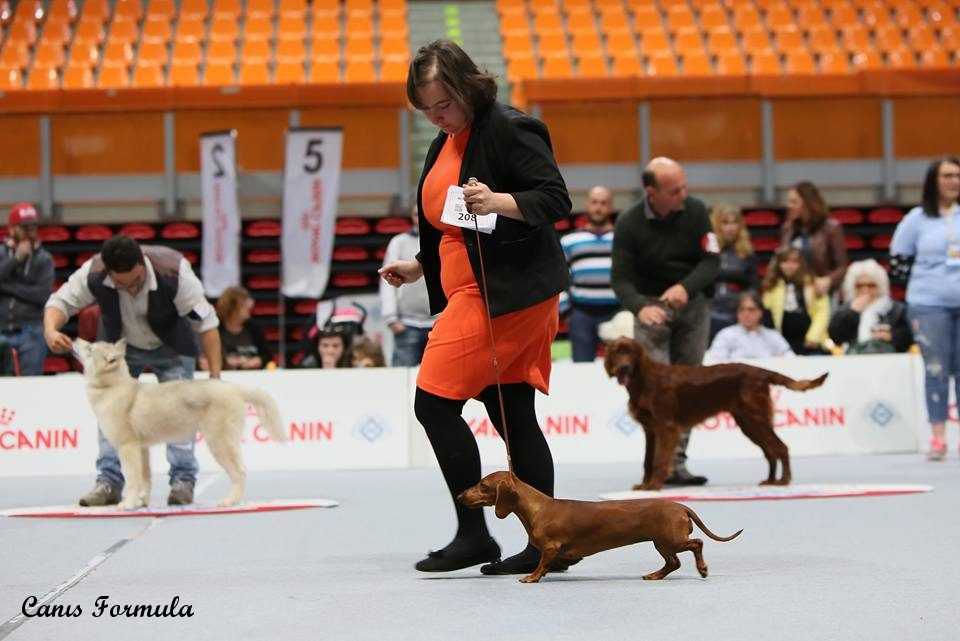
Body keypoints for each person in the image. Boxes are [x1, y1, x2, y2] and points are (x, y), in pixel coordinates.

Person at [379, 40, 571, 576]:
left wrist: (501, 201)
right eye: (426, 110)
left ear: (467, 86)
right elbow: (451, 220)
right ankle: (545, 543)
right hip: (471, 287)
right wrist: (421, 265)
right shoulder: (446, 140)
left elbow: (553, 198)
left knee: (433, 404)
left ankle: (472, 534)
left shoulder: (509, 127)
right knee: (511, 411)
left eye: (443, 104)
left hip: (505, 295)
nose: (436, 117)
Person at [43, 234, 222, 507]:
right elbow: (60, 303)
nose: (130, 289)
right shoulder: (94, 271)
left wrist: (215, 377)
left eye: (136, 281)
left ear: (143, 263)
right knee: (110, 418)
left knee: (181, 411)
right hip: (120, 349)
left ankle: (183, 480)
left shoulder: (175, 271)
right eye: (120, 285)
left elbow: (207, 324)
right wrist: (50, 330)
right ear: (110, 273)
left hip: (171, 344)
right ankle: (109, 482)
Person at [610, 156, 719, 487]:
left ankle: (678, 465)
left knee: (688, 390)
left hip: (693, 308)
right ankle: (659, 468)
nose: (682, 195)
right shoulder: (629, 223)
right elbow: (620, 279)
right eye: (674, 191)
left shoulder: (697, 211)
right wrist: (641, 307)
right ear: (651, 192)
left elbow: (711, 262)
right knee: (655, 393)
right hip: (650, 311)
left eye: (684, 187)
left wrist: (685, 287)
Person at [890, 155, 960, 461]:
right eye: (947, 175)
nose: (953, 181)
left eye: (957, 175)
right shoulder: (916, 219)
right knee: (936, 369)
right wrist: (930, 281)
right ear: (934, 181)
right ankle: (938, 437)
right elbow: (898, 263)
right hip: (929, 304)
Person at [560, 185, 620, 362]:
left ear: (611, 207)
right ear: (587, 205)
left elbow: (633, 276)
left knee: (621, 369)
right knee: (581, 371)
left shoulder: (622, 240)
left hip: (616, 313)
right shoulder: (570, 241)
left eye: (604, 203)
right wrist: (566, 313)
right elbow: (559, 278)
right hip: (581, 315)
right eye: (594, 202)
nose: (598, 207)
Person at [0, 203, 54, 375]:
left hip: (31, 331)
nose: (30, 233)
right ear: (12, 228)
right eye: (24, 228)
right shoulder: (1, 253)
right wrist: (16, 259)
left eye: (33, 227)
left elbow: (41, 296)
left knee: (30, 386)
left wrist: (5, 287)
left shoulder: (44, 259)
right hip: (1, 329)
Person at [379, 203, 436, 366]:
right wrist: (391, 318)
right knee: (400, 381)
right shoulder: (398, 242)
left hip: (437, 323)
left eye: (422, 214)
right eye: (415, 214)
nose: (419, 219)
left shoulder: (443, 240)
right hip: (407, 324)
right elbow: (387, 280)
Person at [828, 259, 912, 355]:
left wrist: (892, 336)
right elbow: (835, 337)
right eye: (859, 286)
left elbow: (909, 336)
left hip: (889, 359)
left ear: (880, 286)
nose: (865, 290)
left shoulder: (896, 309)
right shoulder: (845, 310)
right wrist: (852, 313)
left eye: (871, 285)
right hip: (852, 358)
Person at [779, 180, 848, 296]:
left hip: (821, 293)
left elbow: (842, 267)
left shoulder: (831, 228)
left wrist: (828, 280)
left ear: (808, 203)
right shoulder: (787, 229)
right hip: (793, 294)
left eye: (794, 202)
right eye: (789, 202)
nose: (789, 206)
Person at [761, 246, 831, 355]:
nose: (789, 266)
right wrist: (775, 342)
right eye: (785, 261)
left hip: (810, 342)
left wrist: (813, 336)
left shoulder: (813, 284)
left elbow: (822, 312)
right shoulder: (771, 286)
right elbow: (767, 316)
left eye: (794, 262)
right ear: (778, 264)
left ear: (801, 264)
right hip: (782, 344)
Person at [709, 204, 759, 342]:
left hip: (737, 314)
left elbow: (753, 286)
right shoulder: (708, 251)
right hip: (710, 312)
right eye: (725, 223)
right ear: (717, 225)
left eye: (734, 222)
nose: (731, 228)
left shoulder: (747, 252)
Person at [706, 291, 794, 362]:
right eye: (742, 309)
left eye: (751, 309)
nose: (746, 314)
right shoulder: (726, 335)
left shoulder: (772, 335)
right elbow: (714, 361)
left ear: (760, 312)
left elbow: (790, 357)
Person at [201, 285, 273, 371]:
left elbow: (267, 355)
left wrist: (257, 360)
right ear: (233, 307)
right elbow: (206, 357)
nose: (249, 306)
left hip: (251, 375)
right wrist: (225, 362)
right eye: (244, 303)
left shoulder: (254, 328)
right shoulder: (216, 328)